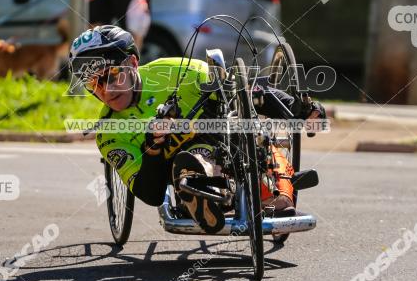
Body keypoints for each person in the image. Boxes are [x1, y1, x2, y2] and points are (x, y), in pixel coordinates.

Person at [69, 25, 326, 234]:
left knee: (254, 133)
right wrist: (153, 147)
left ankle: (277, 195)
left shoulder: (177, 71)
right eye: (94, 84)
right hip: (181, 165)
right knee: (192, 161)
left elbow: (247, 92)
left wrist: (300, 110)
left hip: (227, 141)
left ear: (133, 62)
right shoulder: (109, 134)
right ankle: (204, 195)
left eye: (113, 75)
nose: (107, 91)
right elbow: (150, 194)